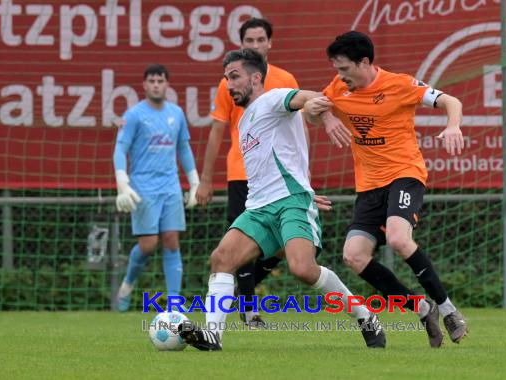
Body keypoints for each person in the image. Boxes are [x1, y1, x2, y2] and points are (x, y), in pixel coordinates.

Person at [179, 48, 385, 351]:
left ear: (256, 77)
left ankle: (364, 315)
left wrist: (324, 115)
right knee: (221, 259)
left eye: (234, 77)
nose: (229, 84)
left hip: (290, 202)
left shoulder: (273, 99)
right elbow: (279, 160)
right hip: (259, 208)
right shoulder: (244, 121)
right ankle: (213, 336)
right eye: (225, 79)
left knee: (302, 269)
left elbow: (306, 98)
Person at [304, 31, 468, 346]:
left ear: (364, 62)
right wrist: (325, 118)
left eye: (344, 69)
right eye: (337, 70)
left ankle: (449, 311)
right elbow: (311, 105)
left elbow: (451, 100)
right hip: (369, 186)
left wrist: (453, 125)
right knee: (353, 256)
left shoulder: (399, 85)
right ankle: (421, 307)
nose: (340, 77)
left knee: (397, 237)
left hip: (404, 175)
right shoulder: (339, 88)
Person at [196, 18, 302, 326]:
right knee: (238, 239)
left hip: (282, 179)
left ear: (270, 43)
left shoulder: (284, 79)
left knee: (283, 249)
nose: (255, 45)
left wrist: (303, 174)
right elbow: (217, 131)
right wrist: (205, 179)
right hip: (242, 174)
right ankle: (250, 310)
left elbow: (300, 128)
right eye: (249, 41)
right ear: (242, 44)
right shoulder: (229, 83)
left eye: (260, 40)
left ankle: (240, 295)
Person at [113, 64, 200, 312]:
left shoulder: (177, 113)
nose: (156, 85)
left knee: (172, 241)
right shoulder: (133, 115)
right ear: (144, 85)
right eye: (151, 81)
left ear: (166, 84)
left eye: (160, 80)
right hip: (143, 187)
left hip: (170, 185)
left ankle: (174, 303)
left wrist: (194, 181)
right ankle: (127, 284)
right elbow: (120, 148)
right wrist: (122, 181)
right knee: (149, 244)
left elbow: (183, 148)